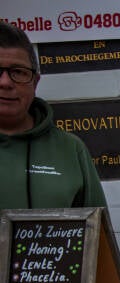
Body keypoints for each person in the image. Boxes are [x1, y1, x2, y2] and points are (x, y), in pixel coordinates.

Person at [0, 21, 106, 209]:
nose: (6, 82)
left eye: (18, 72)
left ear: (35, 82)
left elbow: (97, 225)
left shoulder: (71, 149)